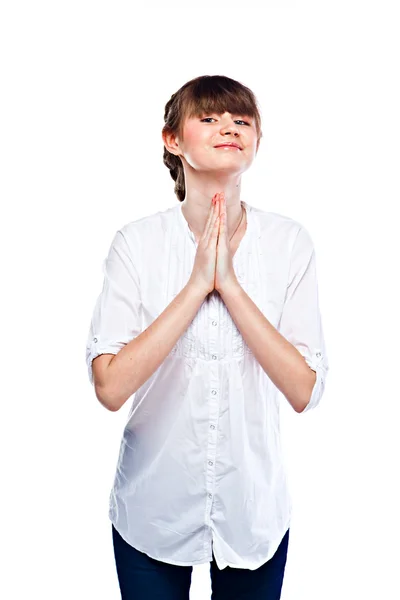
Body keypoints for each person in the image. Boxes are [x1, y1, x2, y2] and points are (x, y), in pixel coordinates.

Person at [85, 74, 329, 599]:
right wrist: (198, 284)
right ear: (172, 139)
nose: (229, 128)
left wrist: (231, 288)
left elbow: (305, 390)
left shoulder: (290, 244)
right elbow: (108, 388)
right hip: (152, 510)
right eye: (210, 117)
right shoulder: (136, 243)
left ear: (258, 141)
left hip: (253, 511)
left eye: (242, 120)